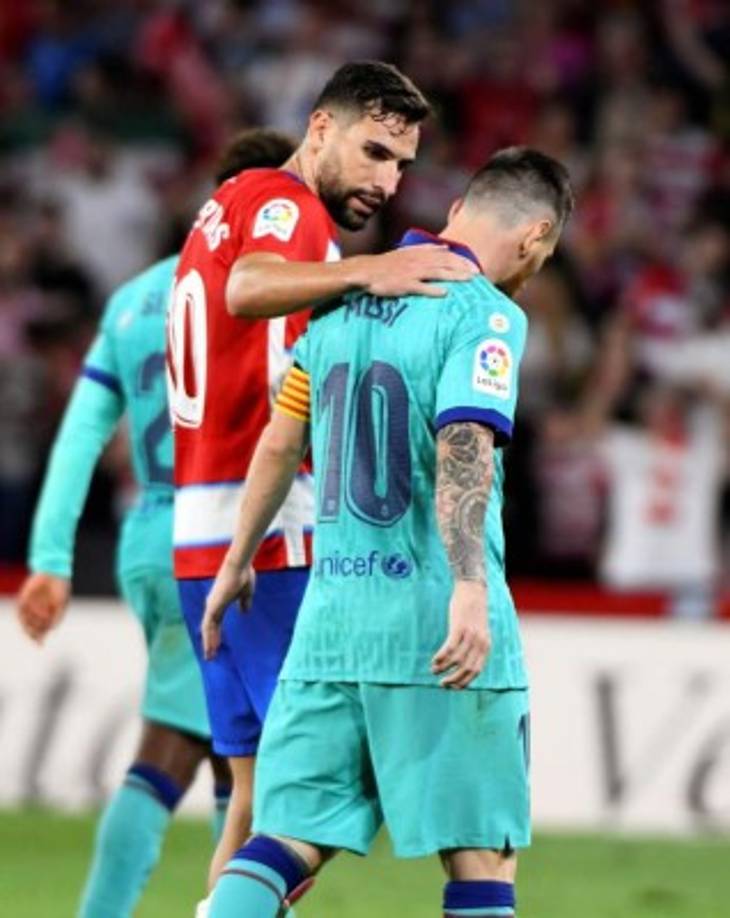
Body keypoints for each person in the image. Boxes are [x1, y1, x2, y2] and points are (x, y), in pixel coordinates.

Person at [202, 147, 574, 918]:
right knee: (480, 859)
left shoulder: (345, 297)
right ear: (536, 234)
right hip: (435, 621)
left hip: (330, 625)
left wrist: (237, 559)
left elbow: (281, 439)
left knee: (280, 843)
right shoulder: (486, 314)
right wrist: (471, 586)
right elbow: (464, 443)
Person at [168, 59, 479, 898]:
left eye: (402, 165)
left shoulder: (227, 206)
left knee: (252, 799)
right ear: (319, 129)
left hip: (207, 534)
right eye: (375, 152)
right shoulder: (287, 207)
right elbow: (247, 289)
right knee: (327, 786)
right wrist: (367, 271)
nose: (387, 181)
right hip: (273, 530)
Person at [15, 127, 297, 918]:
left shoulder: (135, 296)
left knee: (227, 751)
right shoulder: (254, 292)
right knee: (191, 749)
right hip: (225, 537)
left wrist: (51, 557)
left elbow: (80, 431)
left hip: (150, 533)